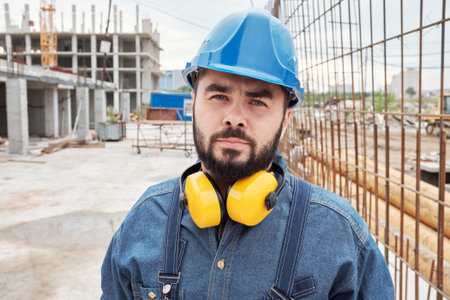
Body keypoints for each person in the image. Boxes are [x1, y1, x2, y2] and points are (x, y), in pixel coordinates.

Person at [101, 8, 394, 300]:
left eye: (257, 101)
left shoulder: (338, 235)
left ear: (285, 118)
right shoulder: (146, 219)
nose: (234, 117)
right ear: (193, 103)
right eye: (219, 96)